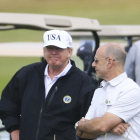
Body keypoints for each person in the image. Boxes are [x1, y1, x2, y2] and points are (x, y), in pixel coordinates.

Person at [0, 30, 96, 140]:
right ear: (44, 51)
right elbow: (7, 104)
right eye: (50, 48)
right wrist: (14, 130)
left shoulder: (83, 82)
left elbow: (90, 122)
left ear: (69, 52)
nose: (54, 52)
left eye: (59, 48)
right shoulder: (27, 73)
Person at [75, 43, 140, 140]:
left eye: (96, 60)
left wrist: (81, 124)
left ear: (109, 62)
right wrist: (109, 129)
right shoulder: (99, 91)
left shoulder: (131, 90)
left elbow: (101, 126)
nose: (93, 64)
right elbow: (82, 133)